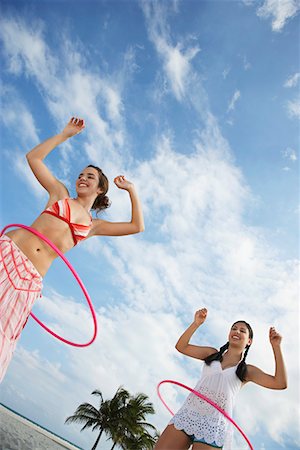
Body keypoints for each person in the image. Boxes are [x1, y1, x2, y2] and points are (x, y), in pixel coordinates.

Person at [0, 117, 144, 382]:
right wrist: (64, 135)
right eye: (80, 174)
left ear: (100, 188)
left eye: (90, 176)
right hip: (8, 255)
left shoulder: (93, 225)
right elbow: (33, 158)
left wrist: (131, 190)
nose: (82, 178)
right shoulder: (60, 194)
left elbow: (137, 226)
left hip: (28, 281)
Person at [155, 308, 287, 450]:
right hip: (189, 414)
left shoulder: (246, 370)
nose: (237, 332)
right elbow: (181, 347)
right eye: (234, 328)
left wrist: (276, 347)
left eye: (242, 331)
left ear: (249, 341)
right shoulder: (211, 354)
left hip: (214, 424)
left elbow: (279, 383)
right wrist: (196, 323)